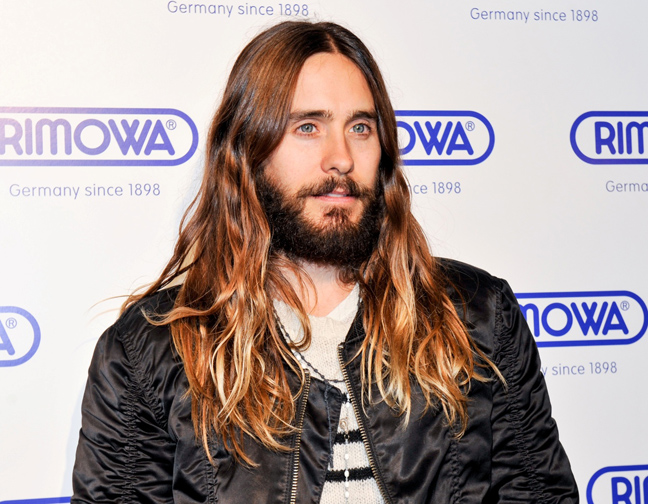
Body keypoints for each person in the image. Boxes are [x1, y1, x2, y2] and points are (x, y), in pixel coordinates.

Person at [72, 20, 578, 503]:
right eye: (308, 127)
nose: (341, 157)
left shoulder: (475, 317)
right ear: (248, 149)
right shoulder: (154, 350)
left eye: (360, 127)